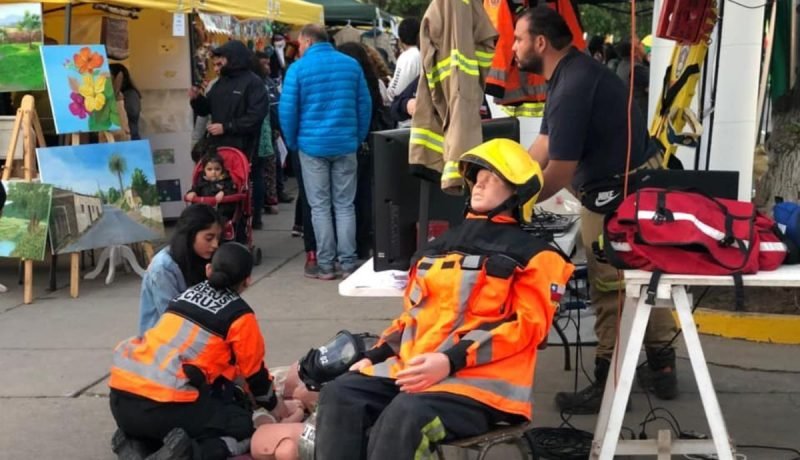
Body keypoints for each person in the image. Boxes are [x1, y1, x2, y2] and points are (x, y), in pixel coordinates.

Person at [313, 139, 574, 460]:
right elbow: (413, 318)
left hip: (481, 386)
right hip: (417, 371)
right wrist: (376, 355)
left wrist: (450, 361)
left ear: (518, 193)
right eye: (478, 177)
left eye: (493, 178)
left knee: (406, 415)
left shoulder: (538, 257)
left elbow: (527, 327)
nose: (480, 184)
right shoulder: (434, 249)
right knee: (340, 394)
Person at [512, 6, 678, 414]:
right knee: (645, 278)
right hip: (636, 188)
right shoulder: (572, 74)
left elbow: (559, 169)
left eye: (518, 38)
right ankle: (662, 367)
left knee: (609, 289)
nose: (512, 47)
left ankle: (608, 382)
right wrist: (509, 177)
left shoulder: (571, 86)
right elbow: (543, 145)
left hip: (613, 198)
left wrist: (515, 205)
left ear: (540, 43)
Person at [110, 242, 293, 460]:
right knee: (242, 424)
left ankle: (137, 444)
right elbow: (256, 378)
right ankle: (187, 454)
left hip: (121, 400)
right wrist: (276, 407)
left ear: (208, 269)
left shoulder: (183, 297)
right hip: (163, 406)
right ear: (247, 281)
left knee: (191, 415)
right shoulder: (239, 316)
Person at [279, 24, 372, 280]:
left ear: (308, 42)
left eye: (299, 44)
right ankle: (348, 262)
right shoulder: (351, 65)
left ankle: (326, 265)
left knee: (319, 207)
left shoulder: (297, 69)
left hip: (311, 146)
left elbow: (288, 111)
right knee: (345, 205)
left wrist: (293, 142)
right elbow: (364, 105)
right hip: (345, 144)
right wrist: (357, 137)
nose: (298, 48)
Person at [138, 204, 222, 335]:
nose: (215, 244)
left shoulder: (202, 258)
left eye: (218, 238)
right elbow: (172, 319)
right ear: (190, 234)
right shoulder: (163, 268)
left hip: (192, 333)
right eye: (209, 238)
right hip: (164, 340)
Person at [337, 42, 387, 260]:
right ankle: (364, 242)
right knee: (365, 194)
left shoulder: (345, 81)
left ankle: (347, 244)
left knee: (345, 199)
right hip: (369, 142)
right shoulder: (373, 81)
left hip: (349, 141)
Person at [189, 40, 268, 160]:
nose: (220, 61)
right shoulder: (220, 82)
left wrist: (226, 127)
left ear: (233, 58)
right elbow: (206, 109)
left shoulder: (253, 82)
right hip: (218, 148)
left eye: (223, 57)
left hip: (245, 149)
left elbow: (255, 116)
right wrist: (197, 99)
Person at [185, 152, 237, 221]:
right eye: (209, 169)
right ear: (204, 170)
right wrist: (192, 192)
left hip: (221, 213)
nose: (213, 172)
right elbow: (196, 188)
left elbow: (232, 191)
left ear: (222, 169)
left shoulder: (226, 180)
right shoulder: (201, 180)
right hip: (203, 212)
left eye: (217, 169)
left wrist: (224, 192)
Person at [387, 18, 421, 101]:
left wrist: (389, 89)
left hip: (407, 105)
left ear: (400, 39)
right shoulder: (423, 53)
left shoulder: (407, 57)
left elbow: (396, 91)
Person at [109, 63, 142, 140]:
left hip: (129, 139)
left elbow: (133, 112)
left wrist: (117, 98)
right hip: (115, 139)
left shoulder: (130, 93)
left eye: (109, 75)